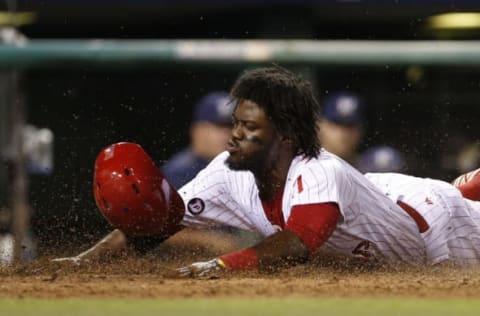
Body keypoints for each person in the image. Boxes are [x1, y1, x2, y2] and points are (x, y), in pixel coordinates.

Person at [54, 66, 480, 276]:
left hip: (438, 227)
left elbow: (298, 243)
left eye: (249, 127)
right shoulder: (227, 170)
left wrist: (217, 266)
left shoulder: (319, 170)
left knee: (465, 196)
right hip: (379, 201)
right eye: (235, 123)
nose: (234, 136)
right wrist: (82, 261)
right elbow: (160, 222)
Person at [162, 91, 234, 189]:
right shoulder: (177, 174)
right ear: (197, 130)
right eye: (219, 127)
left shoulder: (243, 169)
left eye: (231, 127)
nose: (226, 135)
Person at [317, 91, 365, 165]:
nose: (344, 133)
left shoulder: (368, 168)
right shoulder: (302, 166)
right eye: (337, 123)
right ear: (320, 125)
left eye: (350, 125)